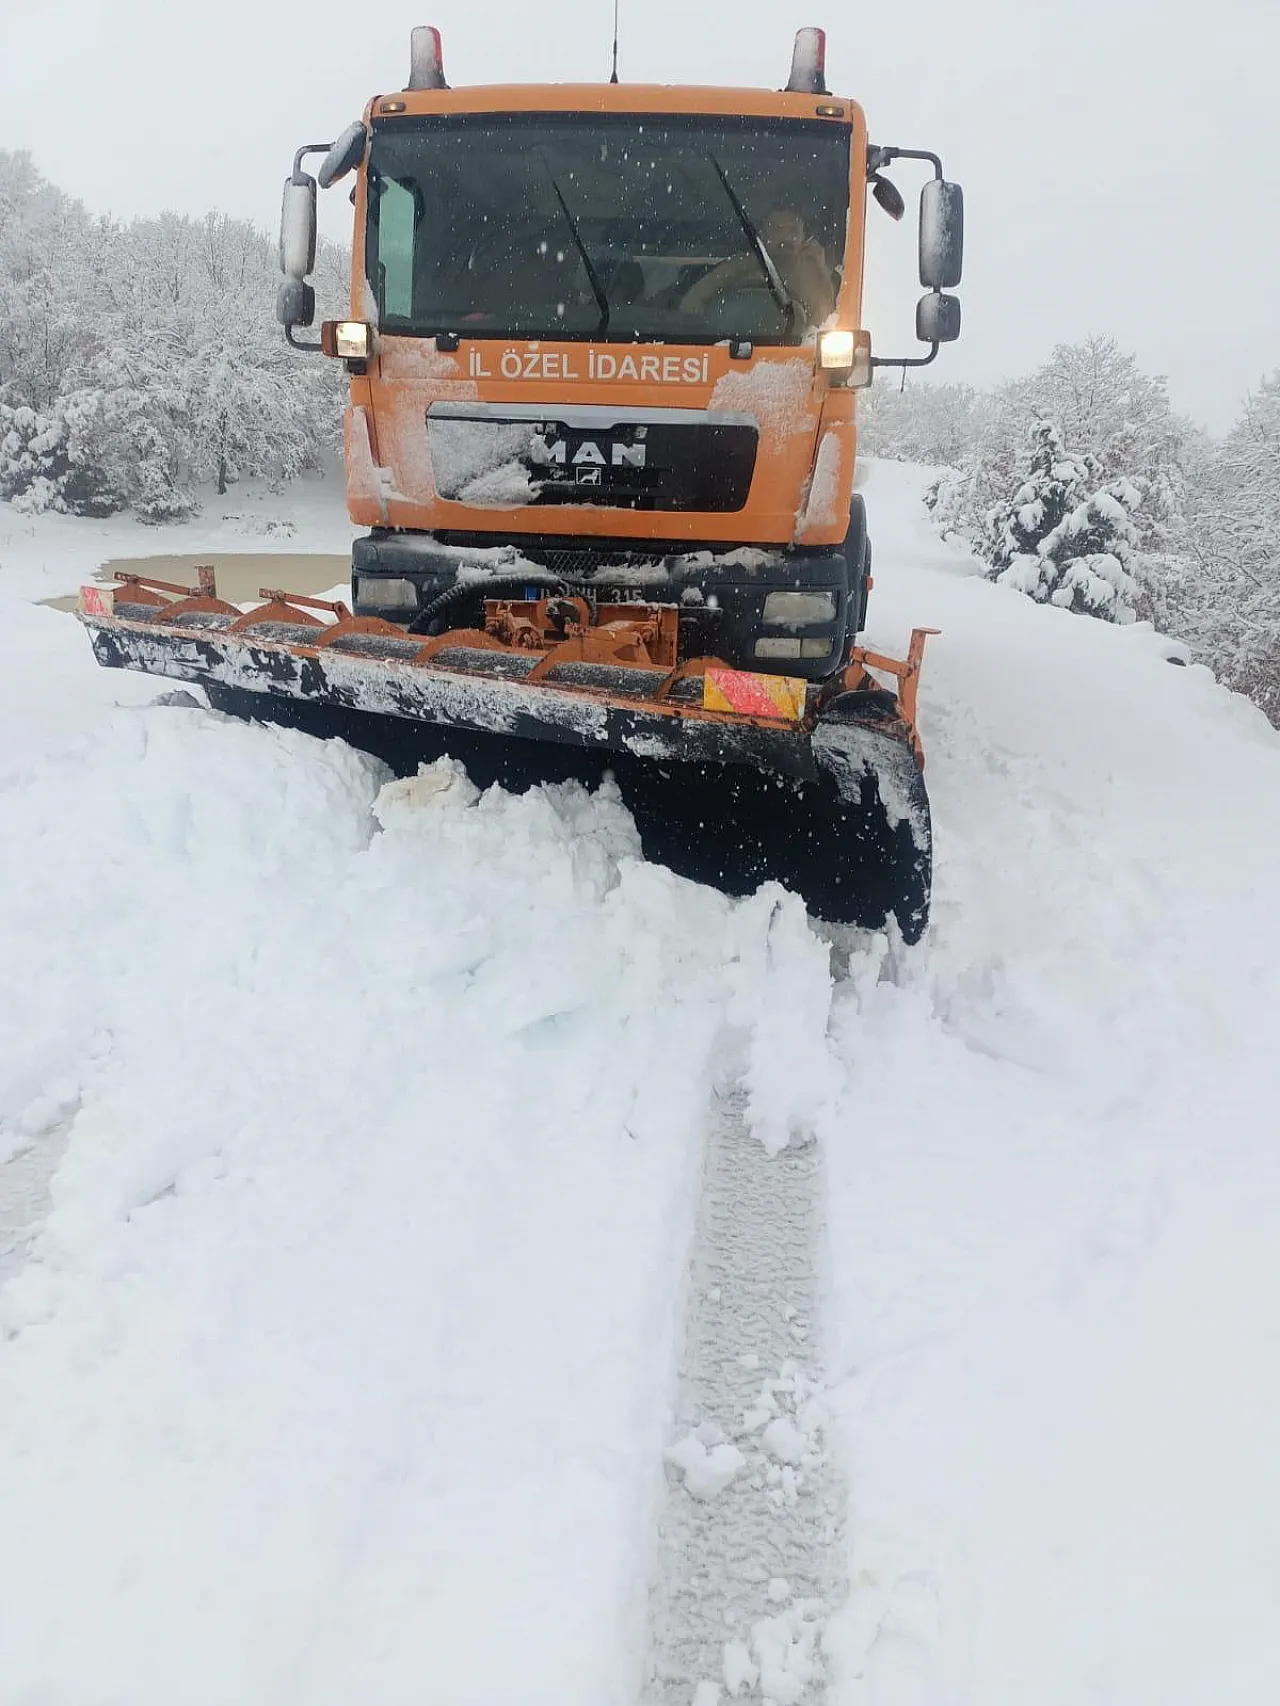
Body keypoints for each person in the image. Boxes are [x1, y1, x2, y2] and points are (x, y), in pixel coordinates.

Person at [680, 207, 836, 328]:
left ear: (805, 237)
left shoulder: (812, 272)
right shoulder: (740, 265)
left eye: (793, 230)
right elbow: (694, 299)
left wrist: (821, 270)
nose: (785, 238)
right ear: (762, 235)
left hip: (793, 352)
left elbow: (826, 323)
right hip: (728, 346)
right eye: (777, 230)